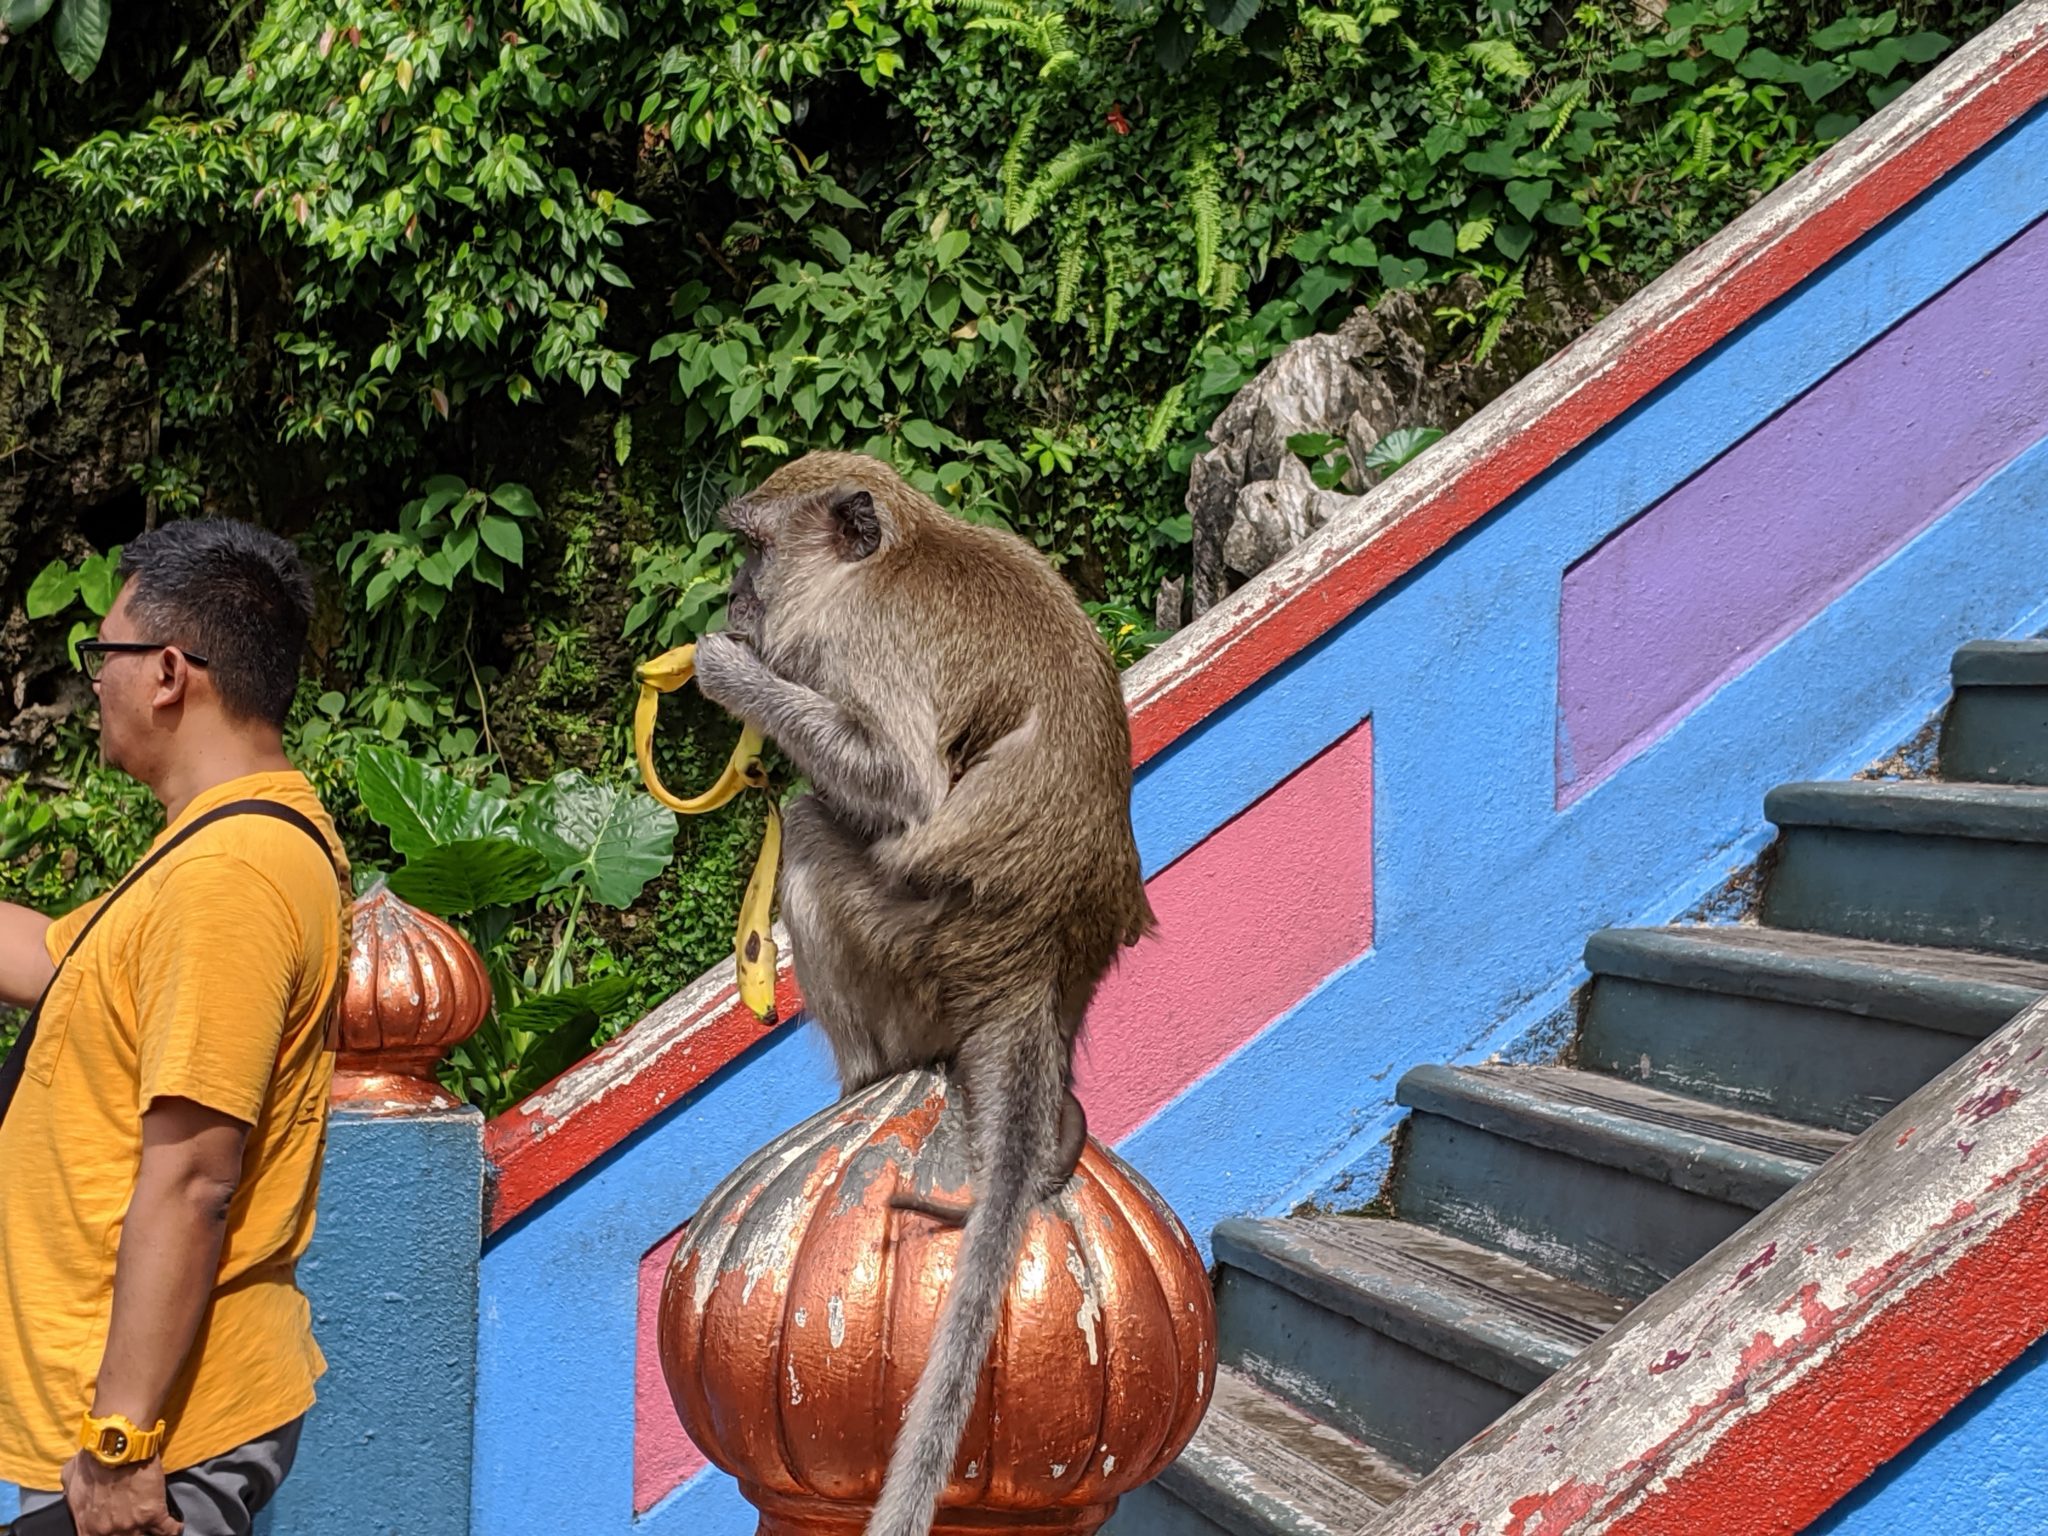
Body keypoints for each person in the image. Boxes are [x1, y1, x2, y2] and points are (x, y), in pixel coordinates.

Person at [0, 521, 350, 1536]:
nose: (93, 683)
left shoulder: (227, 877)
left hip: (148, 1438)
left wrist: (119, 1443)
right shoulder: (210, 851)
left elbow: (195, 1179)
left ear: (165, 672)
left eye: (100, 654)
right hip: (118, 1416)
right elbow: (60, 966)